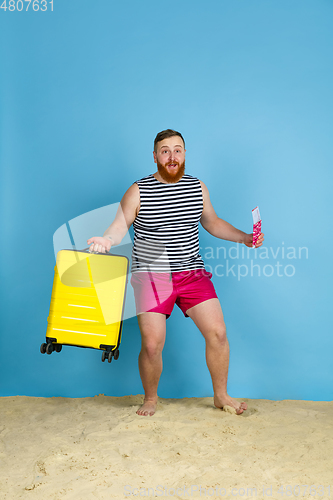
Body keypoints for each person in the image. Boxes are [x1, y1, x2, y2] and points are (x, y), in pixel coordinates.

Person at [87, 129, 264, 417]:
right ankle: (151, 398)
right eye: (165, 150)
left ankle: (220, 395)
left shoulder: (197, 187)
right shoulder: (138, 190)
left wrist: (244, 237)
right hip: (151, 277)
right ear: (155, 156)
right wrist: (108, 239)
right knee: (153, 344)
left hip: (191, 274)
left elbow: (213, 222)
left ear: (184, 154)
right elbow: (120, 224)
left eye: (178, 150)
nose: (172, 156)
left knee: (218, 333)